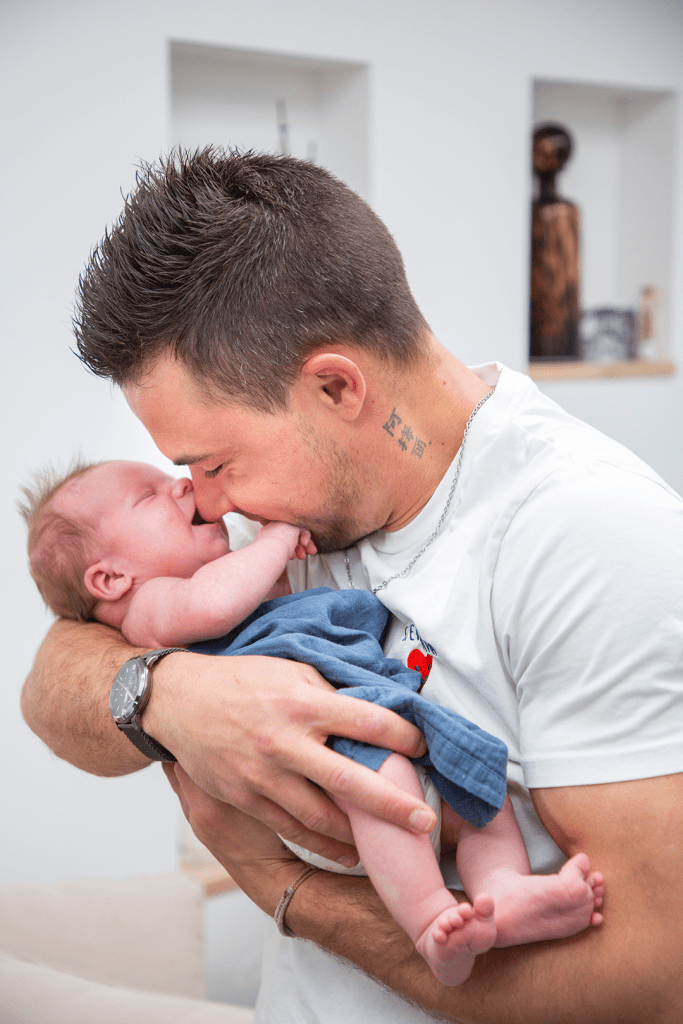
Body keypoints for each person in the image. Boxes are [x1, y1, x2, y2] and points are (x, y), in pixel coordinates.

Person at [21, 148, 683, 1022]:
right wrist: (164, 694)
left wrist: (284, 889)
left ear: (334, 387)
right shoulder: (275, 508)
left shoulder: (587, 536)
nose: (204, 500)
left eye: (211, 464)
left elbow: (650, 979)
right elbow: (56, 673)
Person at [20, 458, 603, 987]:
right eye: (148, 496)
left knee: (480, 788)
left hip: (373, 713)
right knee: (388, 786)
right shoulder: (154, 605)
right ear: (110, 580)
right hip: (327, 767)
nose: (181, 483)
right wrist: (274, 540)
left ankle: (504, 892)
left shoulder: (227, 558)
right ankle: (430, 920)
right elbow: (213, 605)